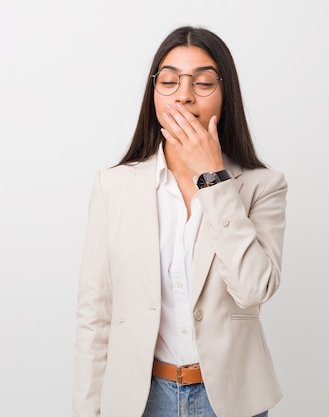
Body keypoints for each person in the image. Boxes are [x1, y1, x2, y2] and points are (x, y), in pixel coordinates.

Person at [72, 25, 288, 417]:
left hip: (231, 401)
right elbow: (95, 315)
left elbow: (254, 290)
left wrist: (213, 178)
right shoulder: (113, 186)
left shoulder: (263, 186)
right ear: (153, 94)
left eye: (203, 82)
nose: (184, 94)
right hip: (141, 399)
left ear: (226, 95)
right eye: (169, 81)